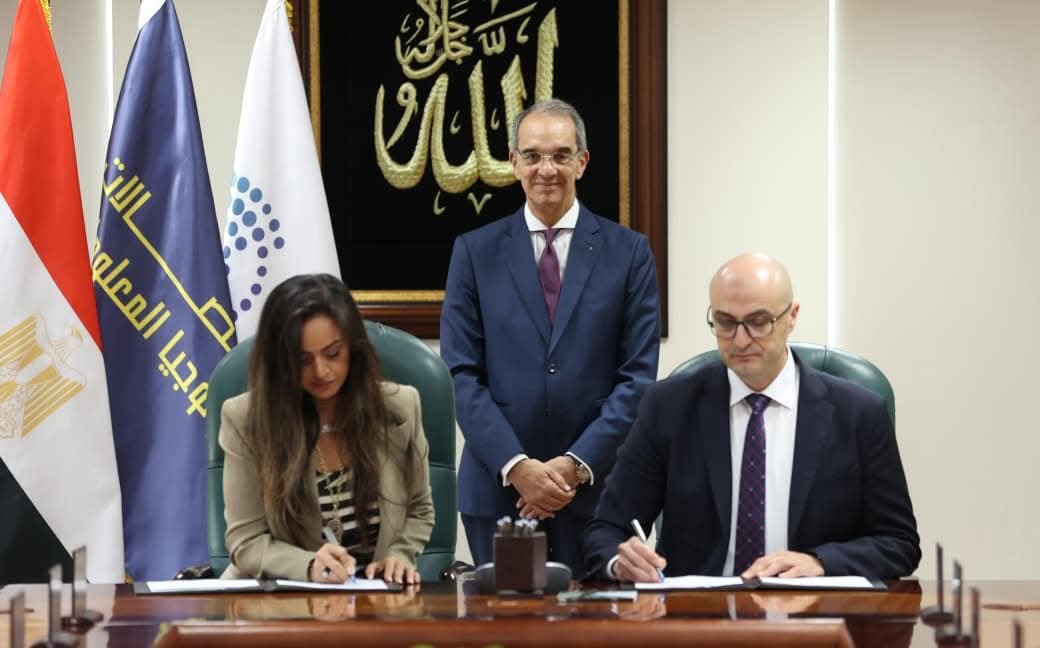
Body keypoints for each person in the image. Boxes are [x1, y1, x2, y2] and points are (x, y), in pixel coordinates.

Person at [584, 253, 920, 582]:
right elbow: (606, 530)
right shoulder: (669, 407)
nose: (740, 340)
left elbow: (899, 543)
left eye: (759, 322)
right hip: (700, 610)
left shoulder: (859, 414)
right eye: (725, 323)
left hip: (814, 609)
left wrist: (820, 562)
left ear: (792, 316)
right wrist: (619, 561)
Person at [440, 99, 661, 572]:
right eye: (533, 155)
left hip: (597, 494)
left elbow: (637, 379)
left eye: (561, 155)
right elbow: (461, 375)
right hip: (499, 493)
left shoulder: (630, 253)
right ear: (513, 162)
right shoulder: (474, 253)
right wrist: (517, 466)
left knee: (596, 619)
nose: (547, 169)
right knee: (505, 618)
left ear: (582, 162)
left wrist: (574, 465)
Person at [220, 274, 434, 585]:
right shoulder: (246, 420)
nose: (321, 371)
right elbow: (246, 542)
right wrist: (308, 566)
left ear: (353, 348)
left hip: (372, 598)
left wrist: (400, 555)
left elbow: (420, 509)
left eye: (333, 354)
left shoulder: (400, 408)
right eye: (303, 360)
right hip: (279, 598)